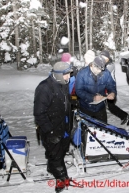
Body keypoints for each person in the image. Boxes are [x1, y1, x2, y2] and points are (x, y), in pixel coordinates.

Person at [33, 61, 74, 192]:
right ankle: (62, 179)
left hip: (63, 125)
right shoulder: (44, 87)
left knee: (61, 151)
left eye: (69, 74)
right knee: (56, 155)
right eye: (66, 74)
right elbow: (39, 113)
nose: (69, 77)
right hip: (51, 128)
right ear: (58, 74)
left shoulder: (63, 83)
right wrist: (50, 131)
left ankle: (52, 168)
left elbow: (65, 102)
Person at [75, 55, 117, 123]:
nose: (100, 71)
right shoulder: (82, 73)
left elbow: (111, 85)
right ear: (92, 65)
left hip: (100, 108)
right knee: (87, 130)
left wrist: (112, 92)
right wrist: (92, 97)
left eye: (101, 69)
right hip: (86, 107)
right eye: (98, 69)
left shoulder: (106, 72)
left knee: (103, 129)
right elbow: (78, 90)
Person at [100, 50, 129, 125]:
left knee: (110, 106)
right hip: (105, 87)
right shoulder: (106, 64)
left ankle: (124, 116)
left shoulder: (109, 65)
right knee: (108, 105)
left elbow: (103, 75)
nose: (102, 59)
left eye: (104, 57)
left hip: (109, 88)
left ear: (107, 58)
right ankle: (124, 116)